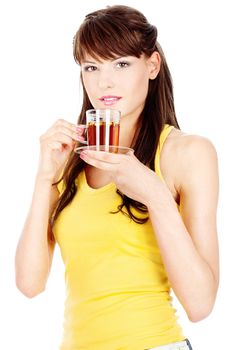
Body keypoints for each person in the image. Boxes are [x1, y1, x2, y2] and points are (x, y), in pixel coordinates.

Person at [15, 5, 219, 350]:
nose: (104, 81)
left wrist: (154, 194)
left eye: (121, 64)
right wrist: (43, 178)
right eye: (91, 67)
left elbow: (201, 305)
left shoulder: (188, 153)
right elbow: (29, 284)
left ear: (152, 66)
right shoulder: (68, 156)